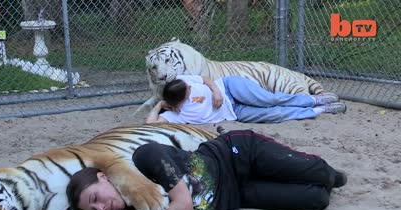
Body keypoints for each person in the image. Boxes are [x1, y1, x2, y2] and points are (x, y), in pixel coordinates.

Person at [66, 129, 348, 210]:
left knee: (322, 175)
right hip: (238, 194)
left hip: (237, 153)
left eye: (95, 199)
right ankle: (321, 183)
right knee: (315, 200)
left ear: (103, 177)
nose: (102, 209)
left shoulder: (144, 158)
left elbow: (185, 204)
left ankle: (331, 173)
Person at [145, 75, 347, 124]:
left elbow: (205, 79)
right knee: (274, 114)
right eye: (188, 90)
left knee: (269, 100)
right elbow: (150, 125)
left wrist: (216, 92)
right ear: (180, 99)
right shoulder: (176, 115)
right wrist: (160, 105)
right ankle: (319, 111)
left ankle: (314, 100)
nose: (190, 86)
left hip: (228, 88)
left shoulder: (181, 81)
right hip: (233, 113)